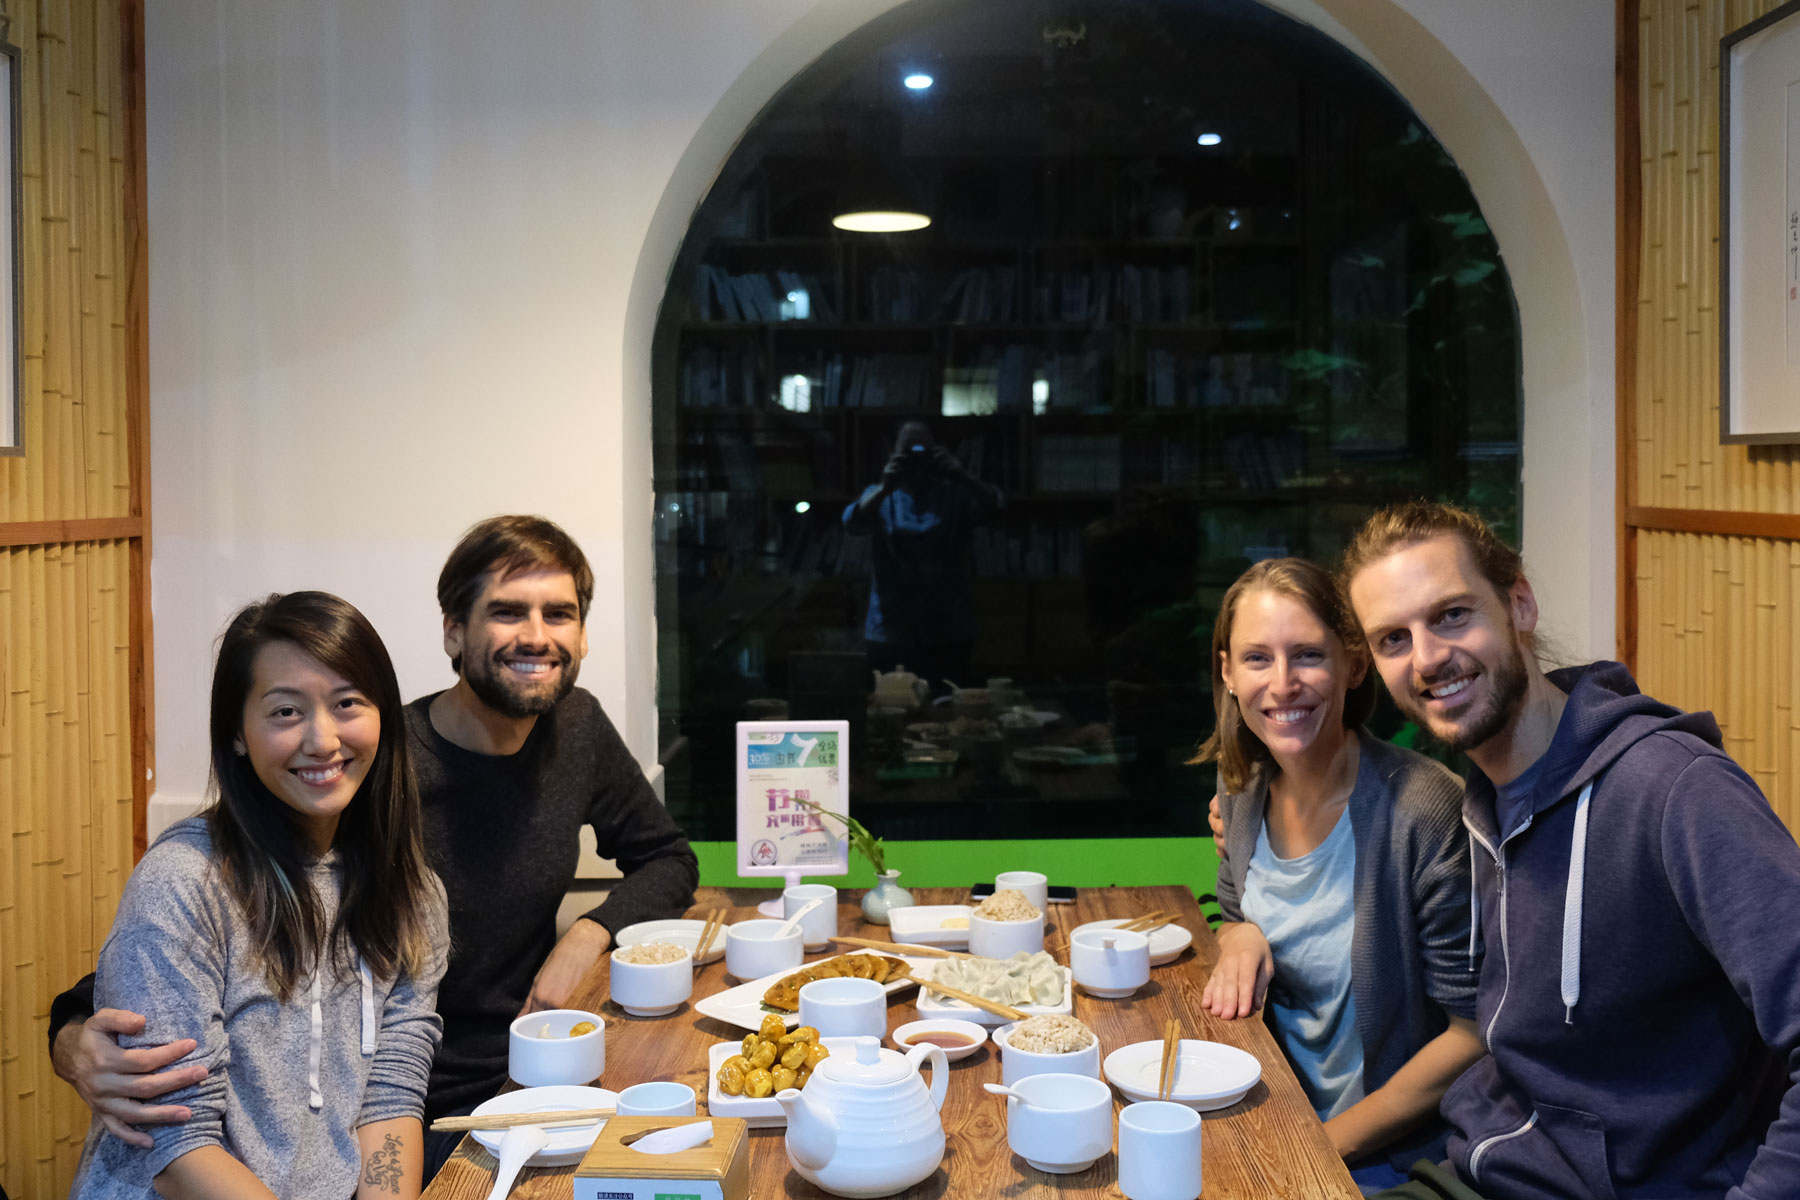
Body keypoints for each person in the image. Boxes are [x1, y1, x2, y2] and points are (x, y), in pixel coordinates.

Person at [51, 516, 700, 1176]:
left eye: (558, 613)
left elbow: (669, 856)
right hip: (412, 1117)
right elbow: (170, 966)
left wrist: (586, 935)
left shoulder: (562, 739)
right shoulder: (358, 785)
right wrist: (72, 1037)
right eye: (507, 611)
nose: (536, 634)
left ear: (583, 633)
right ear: (454, 630)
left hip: (488, 1093)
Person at [1342, 501, 1800, 1200]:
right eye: (1393, 639)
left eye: (1452, 614)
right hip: (1474, 1170)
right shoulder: (1486, 800)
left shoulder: (1674, 789)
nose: (1429, 658)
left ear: (1518, 604)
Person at [71, 592, 448, 1198]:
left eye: (348, 702)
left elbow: (392, 1096)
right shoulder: (184, 883)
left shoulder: (411, 892)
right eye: (285, 712)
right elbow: (177, 1142)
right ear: (238, 735)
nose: (323, 740)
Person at [1195, 558, 1483, 1189]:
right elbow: (1236, 906)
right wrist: (1239, 933)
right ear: (1228, 673)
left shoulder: (1425, 809)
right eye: (1257, 659)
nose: (1283, 683)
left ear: (1353, 665)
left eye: (1307, 655)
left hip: (1391, 1159)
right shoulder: (1240, 785)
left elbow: (1472, 1032)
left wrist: (1317, 1149)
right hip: (1262, 1120)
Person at [842, 419, 1002, 693]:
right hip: (891, 629)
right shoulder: (880, 495)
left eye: (923, 450)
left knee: (947, 708)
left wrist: (961, 474)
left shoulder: (954, 494)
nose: (916, 457)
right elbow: (853, 523)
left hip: (947, 629)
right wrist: (886, 486)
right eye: (908, 450)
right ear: (892, 452)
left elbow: (996, 508)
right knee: (890, 709)